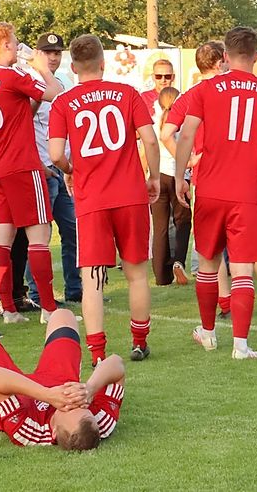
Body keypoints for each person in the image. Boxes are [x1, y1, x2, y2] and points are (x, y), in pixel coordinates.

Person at [174, 26, 257, 359]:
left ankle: (208, 333)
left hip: (210, 187)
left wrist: (180, 177)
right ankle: (240, 345)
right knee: (242, 269)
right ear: (256, 56)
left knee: (208, 264)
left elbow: (186, 134)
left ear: (225, 56)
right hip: (248, 192)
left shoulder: (205, 88)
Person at [48, 34, 160, 365]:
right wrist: (153, 177)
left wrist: (71, 169)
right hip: (130, 194)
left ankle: (97, 352)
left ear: (73, 67)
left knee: (93, 278)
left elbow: (55, 154)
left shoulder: (63, 102)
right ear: (102, 63)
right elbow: (150, 140)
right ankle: (139, 341)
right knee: (136, 273)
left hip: (92, 198)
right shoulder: (127, 93)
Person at [0, 22, 64, 325]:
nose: (17, 46)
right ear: (5, 45)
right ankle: (49, 309)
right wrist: (42, 68)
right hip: (22, 165)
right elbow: (56, 93)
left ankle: (9, 309)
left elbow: (19, 113)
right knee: (39, 237)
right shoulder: (12, 75)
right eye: (14, 42)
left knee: (2, 239)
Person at [0, 308, 125, 450]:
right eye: (81, 405)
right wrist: (89, 389)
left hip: (10, 391)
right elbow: (117, 363)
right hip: (57, 379)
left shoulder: (28, 431)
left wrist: (47, 395)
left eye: (68, 407)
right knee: (63, 315)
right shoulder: (100, 422)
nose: (74, 401)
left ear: (53, 432)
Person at [26, 32, 82, 305]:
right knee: (40, 235)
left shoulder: (64, 82)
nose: (53, 57)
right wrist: (37, 163)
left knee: (72, 231)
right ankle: (37, 294)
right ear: (37, 54)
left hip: (63, 167)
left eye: (57, 52)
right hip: (42, 167)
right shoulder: (30, 81)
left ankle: (75, 288)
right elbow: (23, 125)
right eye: (47, 52)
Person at [150, 86, 192, 286]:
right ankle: (178, 261)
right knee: (182, 222)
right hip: (179, 175)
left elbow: (146, 149)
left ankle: (161, 275)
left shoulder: (153, 120)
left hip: (158, 175)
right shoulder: (182, 123)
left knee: (159, 227)